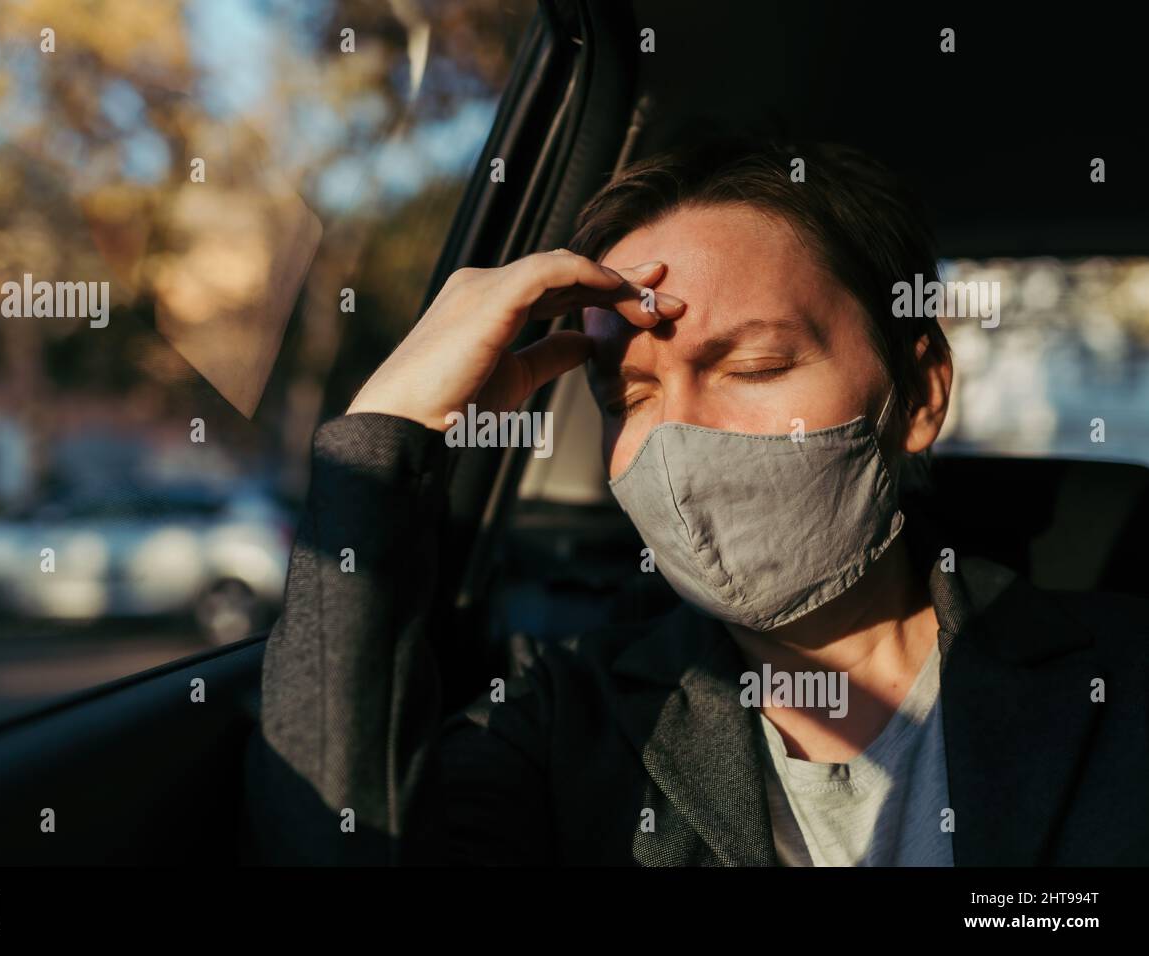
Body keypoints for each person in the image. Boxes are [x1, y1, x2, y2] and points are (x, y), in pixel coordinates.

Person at [245, 138, 1149, 866]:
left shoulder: (1123, 677)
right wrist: (386, 431)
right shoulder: (565, 727)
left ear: (918, 396)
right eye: (626, 400)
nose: (675, 440)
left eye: (752, 366)